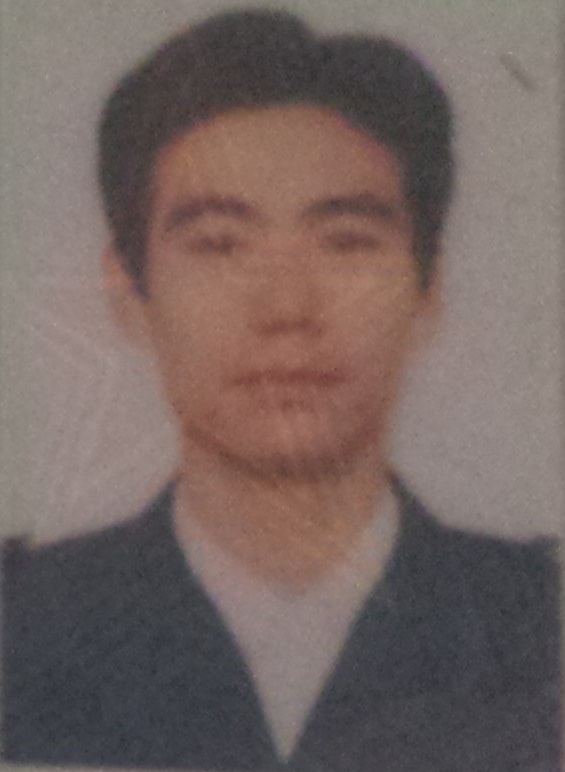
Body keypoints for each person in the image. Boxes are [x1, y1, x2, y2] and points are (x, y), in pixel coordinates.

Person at [1, 8, 560, 771]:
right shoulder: (20, 620)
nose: (287, 309)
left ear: (427, 288)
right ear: (127, 290)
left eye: (346, 242)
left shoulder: (540, 619)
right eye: (221, 246)